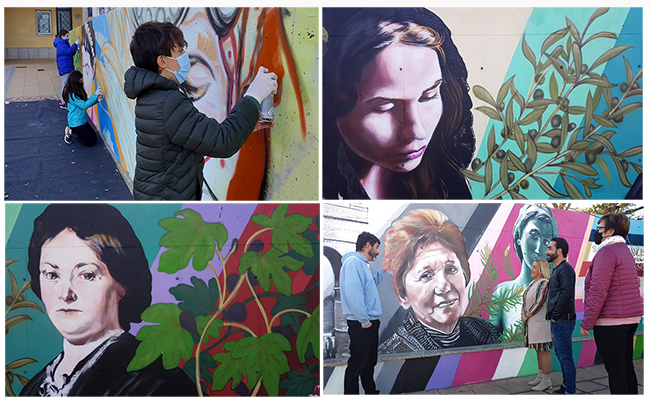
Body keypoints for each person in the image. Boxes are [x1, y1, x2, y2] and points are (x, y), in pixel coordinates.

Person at [20, 204, 197, 396]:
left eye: (86, 275)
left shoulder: (159, 382)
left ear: (122, 283)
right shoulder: (36, 387)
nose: (66, 293)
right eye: (52, 275)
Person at [322, 8, 475, 199]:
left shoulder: (446, 185)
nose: (417, 132)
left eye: (429, 96)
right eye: (383, 107)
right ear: (336, 101)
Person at [123, 21, 277, 200]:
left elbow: (191, 137)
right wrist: (254, 96)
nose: (184, 56)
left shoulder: (151, 96)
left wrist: (248, 123)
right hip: (168, 205)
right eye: (179, 51)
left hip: (156, 197)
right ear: (163, 61)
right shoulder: (168, 102)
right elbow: (223, 141)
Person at [379, 209, 499, 353]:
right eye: (426, 275)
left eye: (451, 269)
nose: (444, 286)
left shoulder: (487, 333)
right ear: (402, 295)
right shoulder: (393, 352)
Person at [579, 214, 643, 394]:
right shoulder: (625, 251)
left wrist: (587, 322)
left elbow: (598, 290)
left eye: (599, 229)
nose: (597, 232)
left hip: (610, 321)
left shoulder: (606, 252)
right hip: (630, 319)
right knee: (626, 366)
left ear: (610, 231)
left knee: (615, 370)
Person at [491, 205, 558, 334]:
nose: (539, 250)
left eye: (545, 242)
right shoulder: (502, 292)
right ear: (519, 238)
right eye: (534, 235)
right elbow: (492, 339)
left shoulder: (553, 291)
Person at [340, 231, 385, 394]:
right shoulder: (353, 263)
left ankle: (371, 394)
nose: (378, 251)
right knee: (357, 366)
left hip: (368, 322)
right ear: (367, 245)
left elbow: (369, 285)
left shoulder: (361, 265)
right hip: (362, 324)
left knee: (368, 364)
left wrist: (383, 270)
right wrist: (364, 321)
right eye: (376, 247)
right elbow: (354, 295)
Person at [545, 237, 576, 395]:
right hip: (559, 320)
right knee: (561, 354)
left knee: (565, 357)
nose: (547, 252)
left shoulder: (565, 269)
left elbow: (566, 295)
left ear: (559, 251)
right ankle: (566, 386)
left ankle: (569, 392)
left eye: (550, 248)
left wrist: (555, 316)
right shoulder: (558, 269)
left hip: (563, 321)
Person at [521, 258, 553, 391]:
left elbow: (539, 302)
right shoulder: (533, 283)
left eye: (534, 267)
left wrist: (527, 315)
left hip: (541, 324)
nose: (531, 269)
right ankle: (540, 377)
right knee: (538, 350)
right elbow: (525, 302)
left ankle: (546, 380)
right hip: (533, 323)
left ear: (541, 269)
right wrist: (523, 313)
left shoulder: (544, 283)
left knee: (544, 350)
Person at [62, 70, 103, 147]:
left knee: (94, 138)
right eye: (80, 80)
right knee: (89, 142)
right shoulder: (72, 95)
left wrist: (97, 100)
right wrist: (95, 95)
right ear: (75, 82)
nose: (82, 81)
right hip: (76, 123)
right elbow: (84, 105)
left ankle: (75, 131)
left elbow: (87, 103)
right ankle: (71, 131)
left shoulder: (79, 91)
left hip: (82, 121)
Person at [53, 29, 80, 109]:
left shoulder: (64, 43)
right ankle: (63, 102)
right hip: (65, 67)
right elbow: (68, 51)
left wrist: (74, 50)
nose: (68, 37)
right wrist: (75, 44)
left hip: (67, 66)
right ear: (62, 36)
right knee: (65, 84)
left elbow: (69, 53)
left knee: (67, 84)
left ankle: (65, 100)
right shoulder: (60, 44)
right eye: (67, 36)